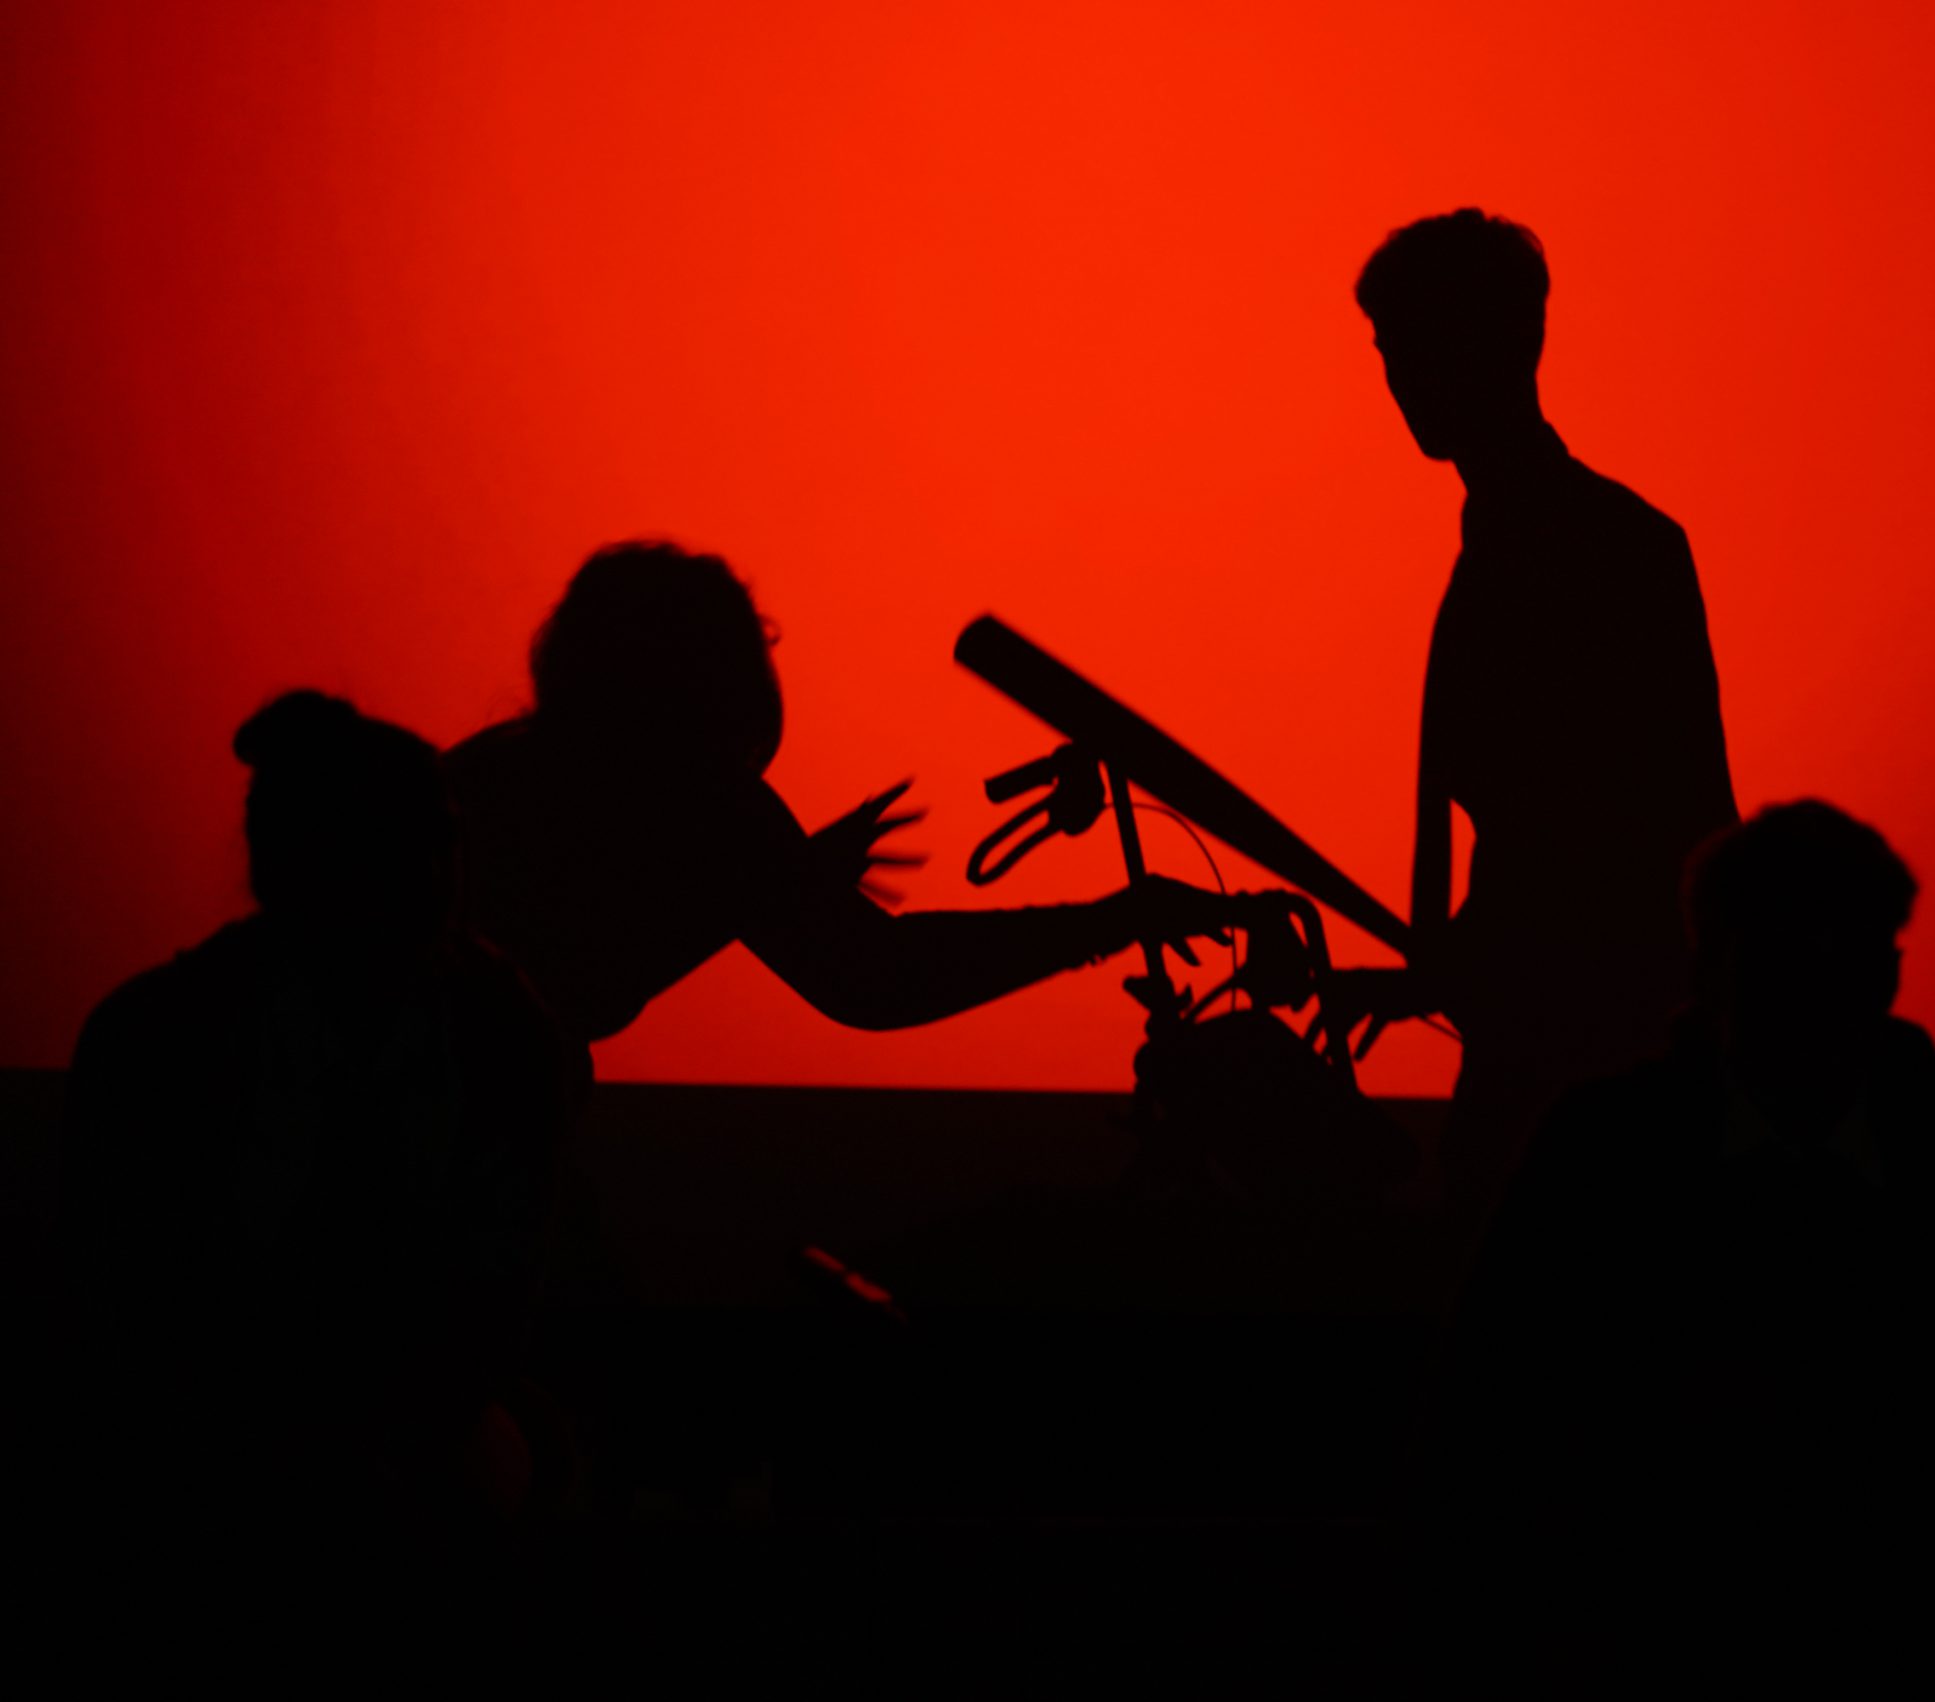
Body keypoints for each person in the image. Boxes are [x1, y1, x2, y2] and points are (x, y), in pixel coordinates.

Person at [1427, 802, 1935, 1692]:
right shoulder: (1602, 1159)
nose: (1812, 986)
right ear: (1712, 971)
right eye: (1786, 953)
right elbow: (1488, 1429)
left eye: (1841, 953)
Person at [56, 692, 572, 1608]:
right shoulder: (502, 1030)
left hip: (350, 1434)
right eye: (390, 844)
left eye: (440, 840)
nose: (428, 874)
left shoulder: (154, 1030)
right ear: (292, 857)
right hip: (226, 1426)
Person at [1328, 210, 1738, 1223]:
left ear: (1512, 344)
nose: (1403, 379)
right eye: (1390, 352)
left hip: (1593, 1071)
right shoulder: (1523, 550)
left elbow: (1635, 833)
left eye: (1422, 344)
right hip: (1542, 1048)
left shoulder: (1609, 551)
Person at [443, 541, 1241, 1058]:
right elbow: (881, 978)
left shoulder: (483, 776)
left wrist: (774, 885)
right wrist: (1113, 922)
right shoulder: (704, 799)